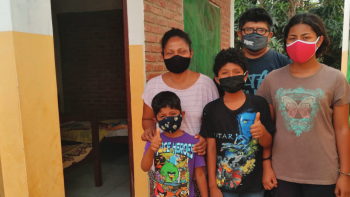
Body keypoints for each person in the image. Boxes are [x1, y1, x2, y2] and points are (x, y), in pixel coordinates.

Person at [256, 12, 350, 197]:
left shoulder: (336, 78)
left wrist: (345, 174)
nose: (298, 42)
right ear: (286, 41)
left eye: (306, 37)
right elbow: (267, 128)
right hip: (282, 173)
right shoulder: (272, 79)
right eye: (292, 38)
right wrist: (266, 165)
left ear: (319, 40)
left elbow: (342, 129)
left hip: (323, 174)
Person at [142, 28, 219, 196]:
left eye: (182, 51)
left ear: (191, 53)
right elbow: (147, 119)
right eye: (170, 53)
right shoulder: (153, 86)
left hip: (196, 166)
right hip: (162, 170)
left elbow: (214, 122)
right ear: (162, 56)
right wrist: (148, 130)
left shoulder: (206, 85)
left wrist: (205, 140)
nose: (176, 56)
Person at [200, 48, 275, 197]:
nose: (231, 76)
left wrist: (262, 133)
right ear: (217, 78)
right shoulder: (211, 109)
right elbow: (211, 149)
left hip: (255, 186)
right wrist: (212, 186)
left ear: (245, 75)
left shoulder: (259, 104)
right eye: (225, 73)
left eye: (236, 71)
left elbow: (268, 143)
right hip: (224, 186)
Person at [141, 91, 208, 197]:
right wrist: (151, 149)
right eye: (162, 116)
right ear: (156, 120)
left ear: (182, 115)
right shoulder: (154, 140)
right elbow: (144, 167)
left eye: (173, 114)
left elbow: (200, 174)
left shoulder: (194, 142)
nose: (168, 119)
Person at [237, 8, 291, 95]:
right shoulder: (229, 62)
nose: (255, 34)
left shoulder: (284, 63)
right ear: (240, 34)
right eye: (249, 30)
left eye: (261, 30)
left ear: (270, 35)